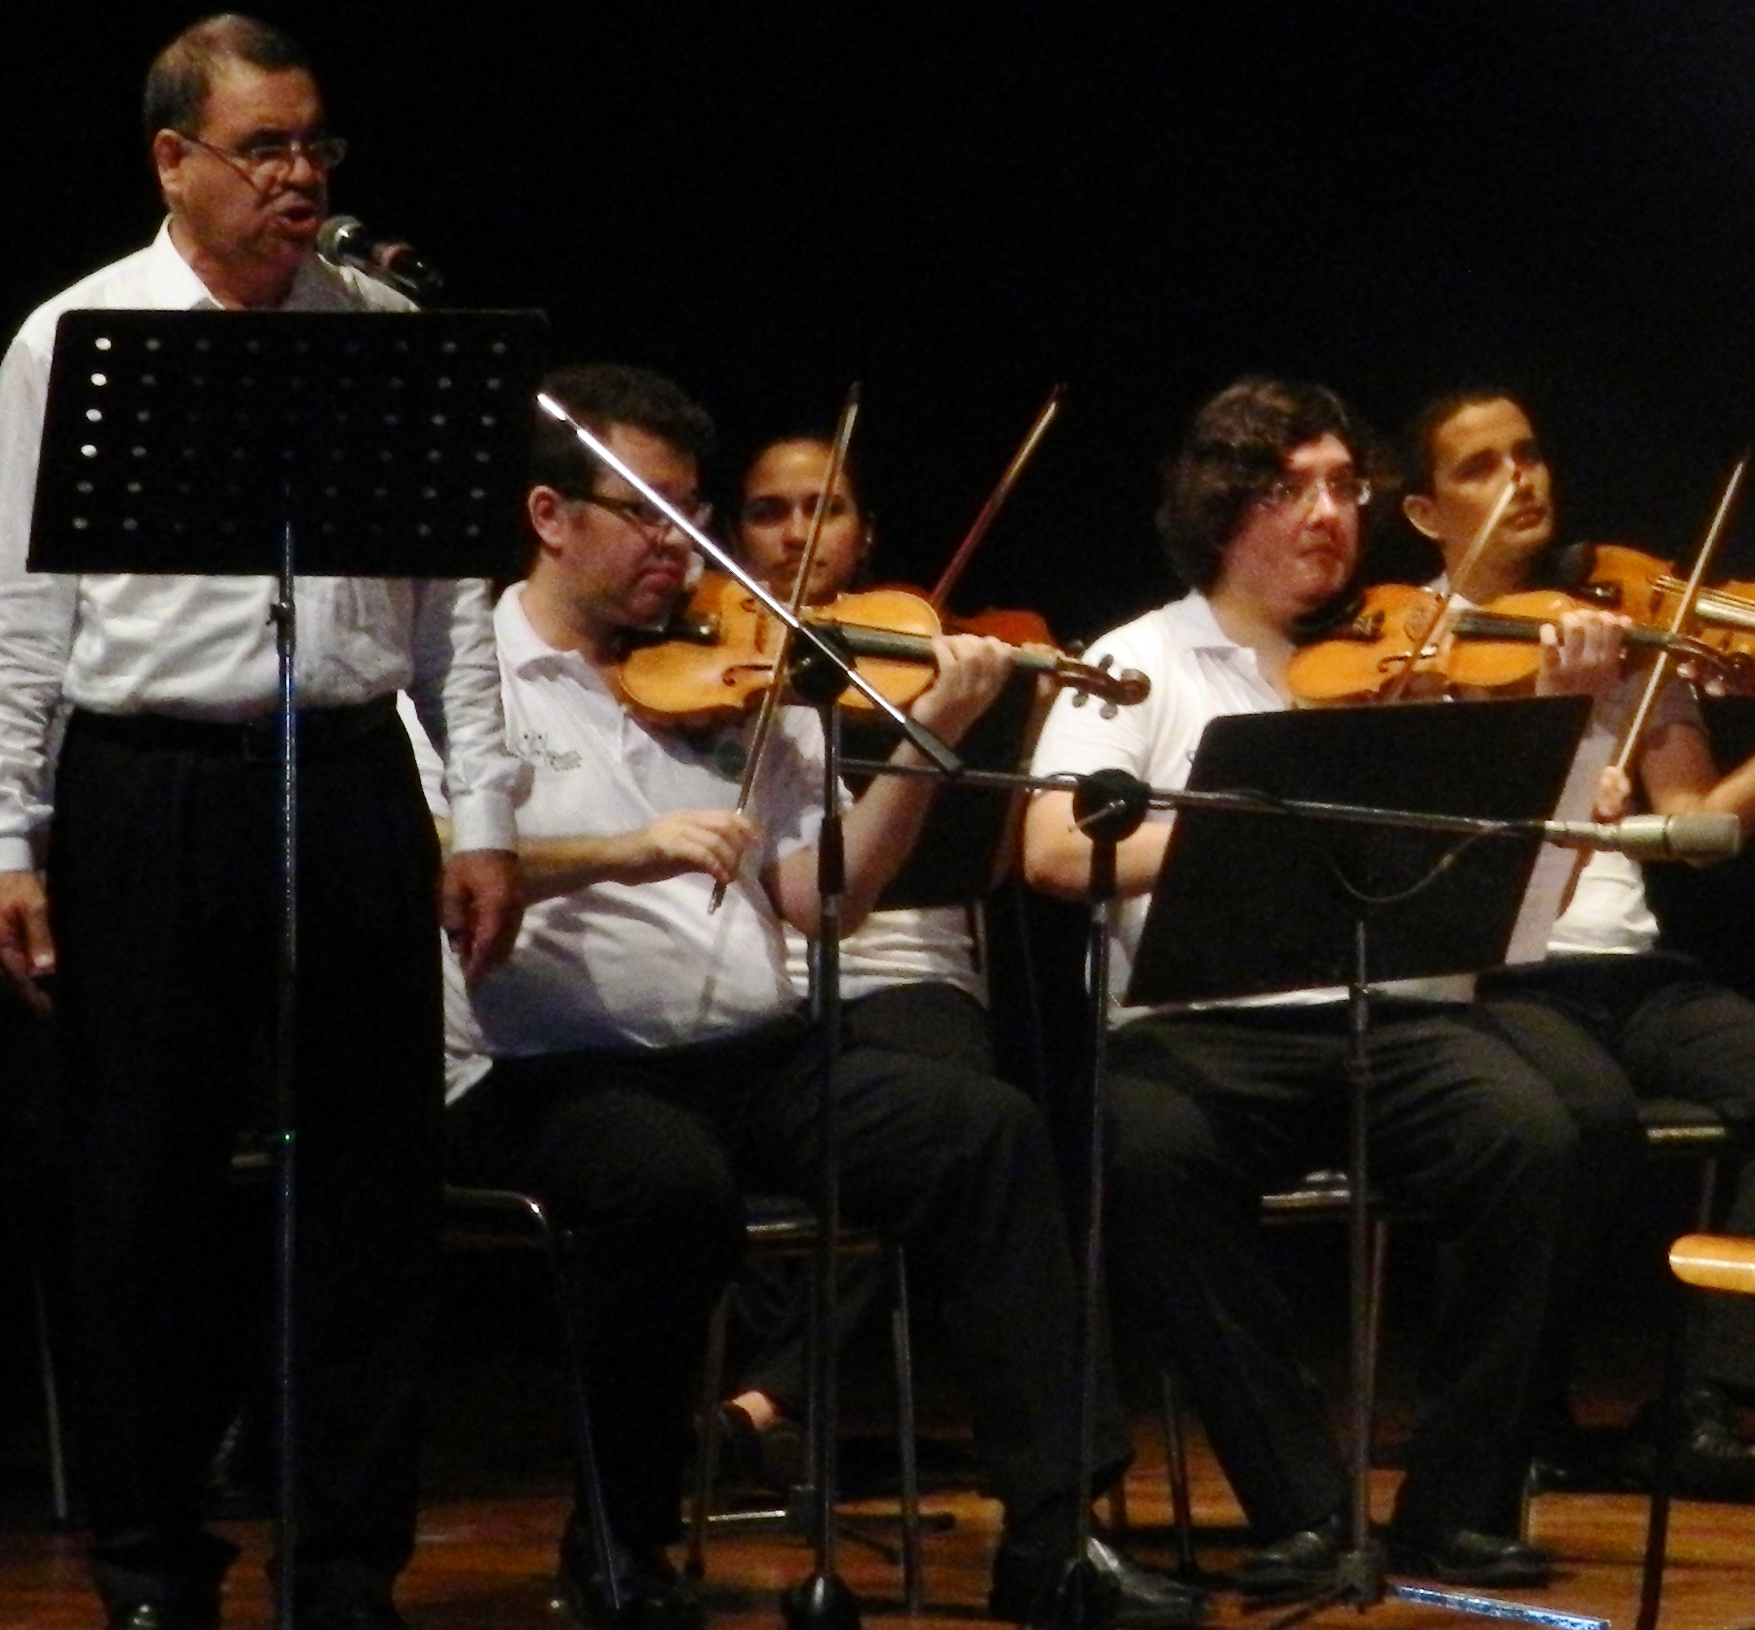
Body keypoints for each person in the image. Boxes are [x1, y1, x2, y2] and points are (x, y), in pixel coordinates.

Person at [0, 15, 524, 1630]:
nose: (298, 175)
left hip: (348, 776)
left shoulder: (382, 324)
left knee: (372, 1194)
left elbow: (453, 609)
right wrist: (4, 839)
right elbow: (16, 610)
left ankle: (344, 1563)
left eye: (315, 143)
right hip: (148, 787)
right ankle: (149, 1562)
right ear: (173, 161)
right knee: (142, 1190)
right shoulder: (76, 335)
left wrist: (481, 812)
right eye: (263, 147)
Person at [440, 366, 1195, 1629]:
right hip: (549, 1070)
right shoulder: (467, 672)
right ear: (550, 516)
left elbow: (825, 899)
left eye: (691, 515)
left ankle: (1055, 1544)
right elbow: (434, 864)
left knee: (985, 1130)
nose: (681, 547)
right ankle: (622, 1545)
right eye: (647, 514)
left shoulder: (750, 669)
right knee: (663, 1181)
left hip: (756, 1057)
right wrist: (631, 848)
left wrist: (931, 737)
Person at [1020, 379, 1588, 1596]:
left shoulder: (1413, 656)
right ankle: (1300, 1506)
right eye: (1294, 489)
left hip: (1392, 1012)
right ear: (1225, 506)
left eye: (1344, 487)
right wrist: (1237, 827)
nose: (1333, 513)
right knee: (1147, 1147)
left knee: (1531, 1135)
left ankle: (1458, 1506)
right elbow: (1056, 852)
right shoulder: (1137, 660)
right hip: (1203, 1032)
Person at [1389, 387, 1755, 1491]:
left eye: (1529, 453)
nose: (1521, 479)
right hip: (1494, 972)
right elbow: (1434, 849)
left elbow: (1703, 827)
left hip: (1629, 971)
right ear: (1426, 514)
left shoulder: (1630, 628)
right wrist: (1553, 704)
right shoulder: (1402, 650)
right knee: (1577, 1119)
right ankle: (1517, 1412)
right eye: (1480, 466)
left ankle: (1704, 1398)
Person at [707, 433, 1025, 1479]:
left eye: (825, 508)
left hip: (902, 964)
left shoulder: (917, 660)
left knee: (943, 1113)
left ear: (866, 533)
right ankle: (774, 1399)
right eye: (768, 511)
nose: (797, 533)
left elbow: (985, 856)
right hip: (759, 969)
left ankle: (766, 1398)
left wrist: (949, 722)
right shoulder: (703, 668)